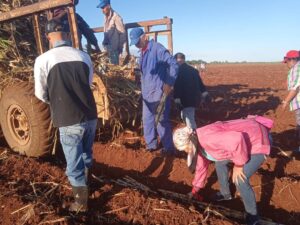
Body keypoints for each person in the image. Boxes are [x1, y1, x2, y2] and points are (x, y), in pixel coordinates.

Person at [34, 20, 98, 213]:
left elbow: (40, 93)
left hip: (69, 119)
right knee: (87, 153)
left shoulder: (43, 60)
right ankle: (87, 184)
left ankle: (80, 203)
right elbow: (88, 83)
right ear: (68, 35)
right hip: (91, 116)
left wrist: (55, 102)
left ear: (48, 37)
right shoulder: (84, 57)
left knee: (73, 164)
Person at [173, 115, 273, 225]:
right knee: (220, 162)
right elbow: (201, 166)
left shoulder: (208, 139)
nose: (186, 152)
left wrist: (239, 165)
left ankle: (253, 217)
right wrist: (195, 189)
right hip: (246, 137)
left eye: (185, 149)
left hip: (258, 139)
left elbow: (237, 139)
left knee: (240, 179)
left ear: (189, 143)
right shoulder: (196, 139)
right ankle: (226, 194)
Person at [129, 27, 178, 155]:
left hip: (158, 93)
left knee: (162, 122)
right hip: (147, 95)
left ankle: (168, 148)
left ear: (144, 37)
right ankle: (151, 145)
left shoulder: (157, 48)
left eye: (138, 42)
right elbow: (146, 73)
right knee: (147, 120)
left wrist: (169, 83)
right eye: (135, 43)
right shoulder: (142, 53)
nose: (137, 45)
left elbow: (173, 64)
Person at [174, 52, 210, 131]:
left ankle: (194, 135)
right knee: (185, 115)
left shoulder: (177, 71)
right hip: (194, 98)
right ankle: (189, 130)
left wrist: (177, 99)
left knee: (189, 119)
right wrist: (204, 93)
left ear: (178, 60)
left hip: (186, 100)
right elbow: (200, 83)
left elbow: (177, 86)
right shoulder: (194, 70)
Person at [97, 0, 127, 65]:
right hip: (106, 49)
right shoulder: (105, 18)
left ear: (109, 6)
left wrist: (120, 50)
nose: (102, 10)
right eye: (101, 8)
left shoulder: (116, 17)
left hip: (114, 50)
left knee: (114, 70)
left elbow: (122, 34)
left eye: (103, 7)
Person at [282, 50, 300, 152]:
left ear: (292, 60)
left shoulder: (297, 68)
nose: (286, 65)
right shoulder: (296, 68)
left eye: (286, 62)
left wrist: (286, 102)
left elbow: (296, 87)